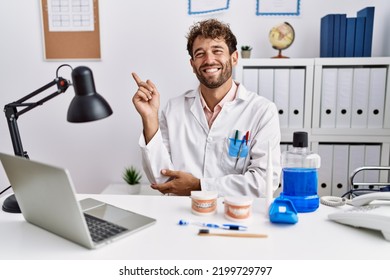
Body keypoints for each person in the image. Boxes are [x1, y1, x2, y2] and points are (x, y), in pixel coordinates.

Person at [131, 19, 281, 197]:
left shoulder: (262, 111)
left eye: (217, 51)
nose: (209, 60)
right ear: (193, 65)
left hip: (233, 216)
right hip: (180, 214)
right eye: (200, 54)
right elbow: (161, 179)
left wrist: (199, 186)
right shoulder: (174, 108)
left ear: (234, 58)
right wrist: (150, 118)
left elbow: (264, 183)